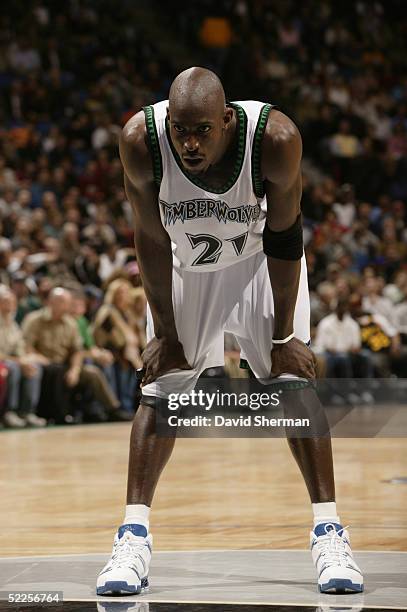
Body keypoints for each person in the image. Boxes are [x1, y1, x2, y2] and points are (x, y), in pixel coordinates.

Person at [96, 67, 363, 596]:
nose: (190, 143)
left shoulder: (276, 139)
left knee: (294, 387)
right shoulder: (139, 141)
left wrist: (285, 339)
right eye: (181, 130)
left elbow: (287, 238)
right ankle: (132, 538)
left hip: (262, 262)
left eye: (202, 131)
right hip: (187, 269)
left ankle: (329, 532)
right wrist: (167, 331)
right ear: (168, 122)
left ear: (226, 120)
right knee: (159, 393)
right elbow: (149, 240)